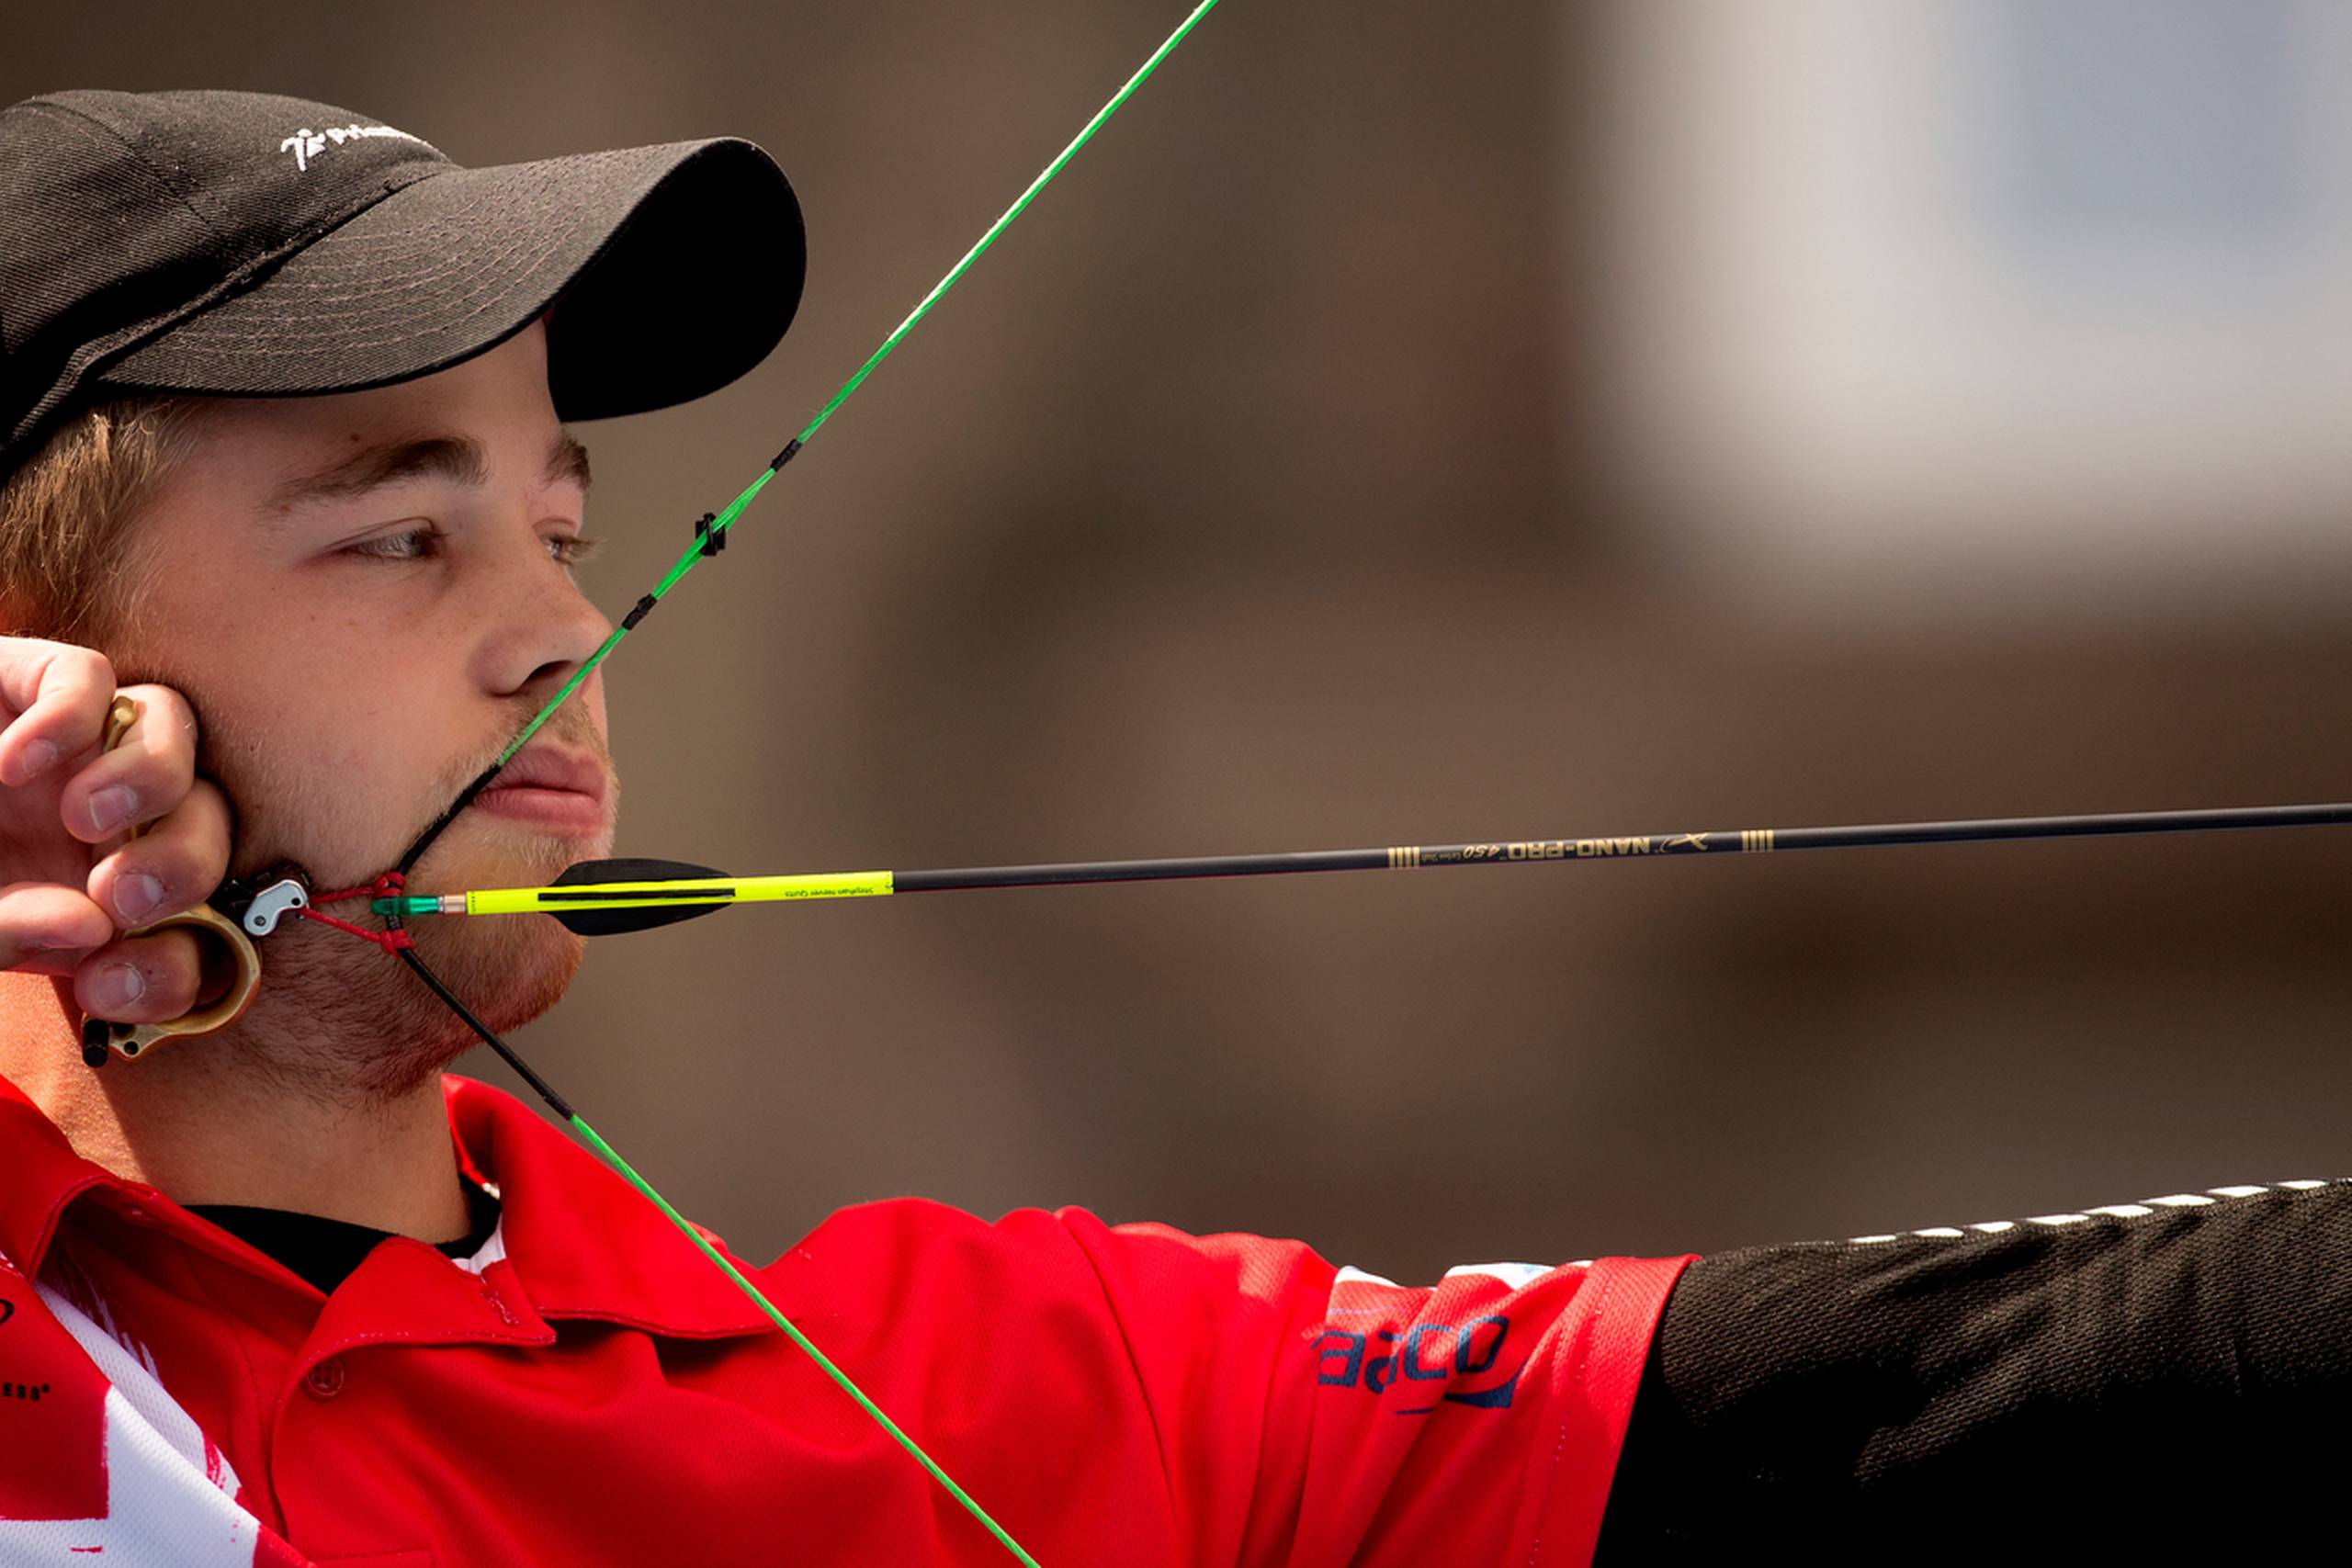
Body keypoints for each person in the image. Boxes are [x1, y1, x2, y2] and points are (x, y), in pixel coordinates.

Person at [0, 89, 2343, 1568]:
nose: (559, 631)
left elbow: (1920, 1380)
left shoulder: (973, 1394)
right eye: (400, 534)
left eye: (563, 525)